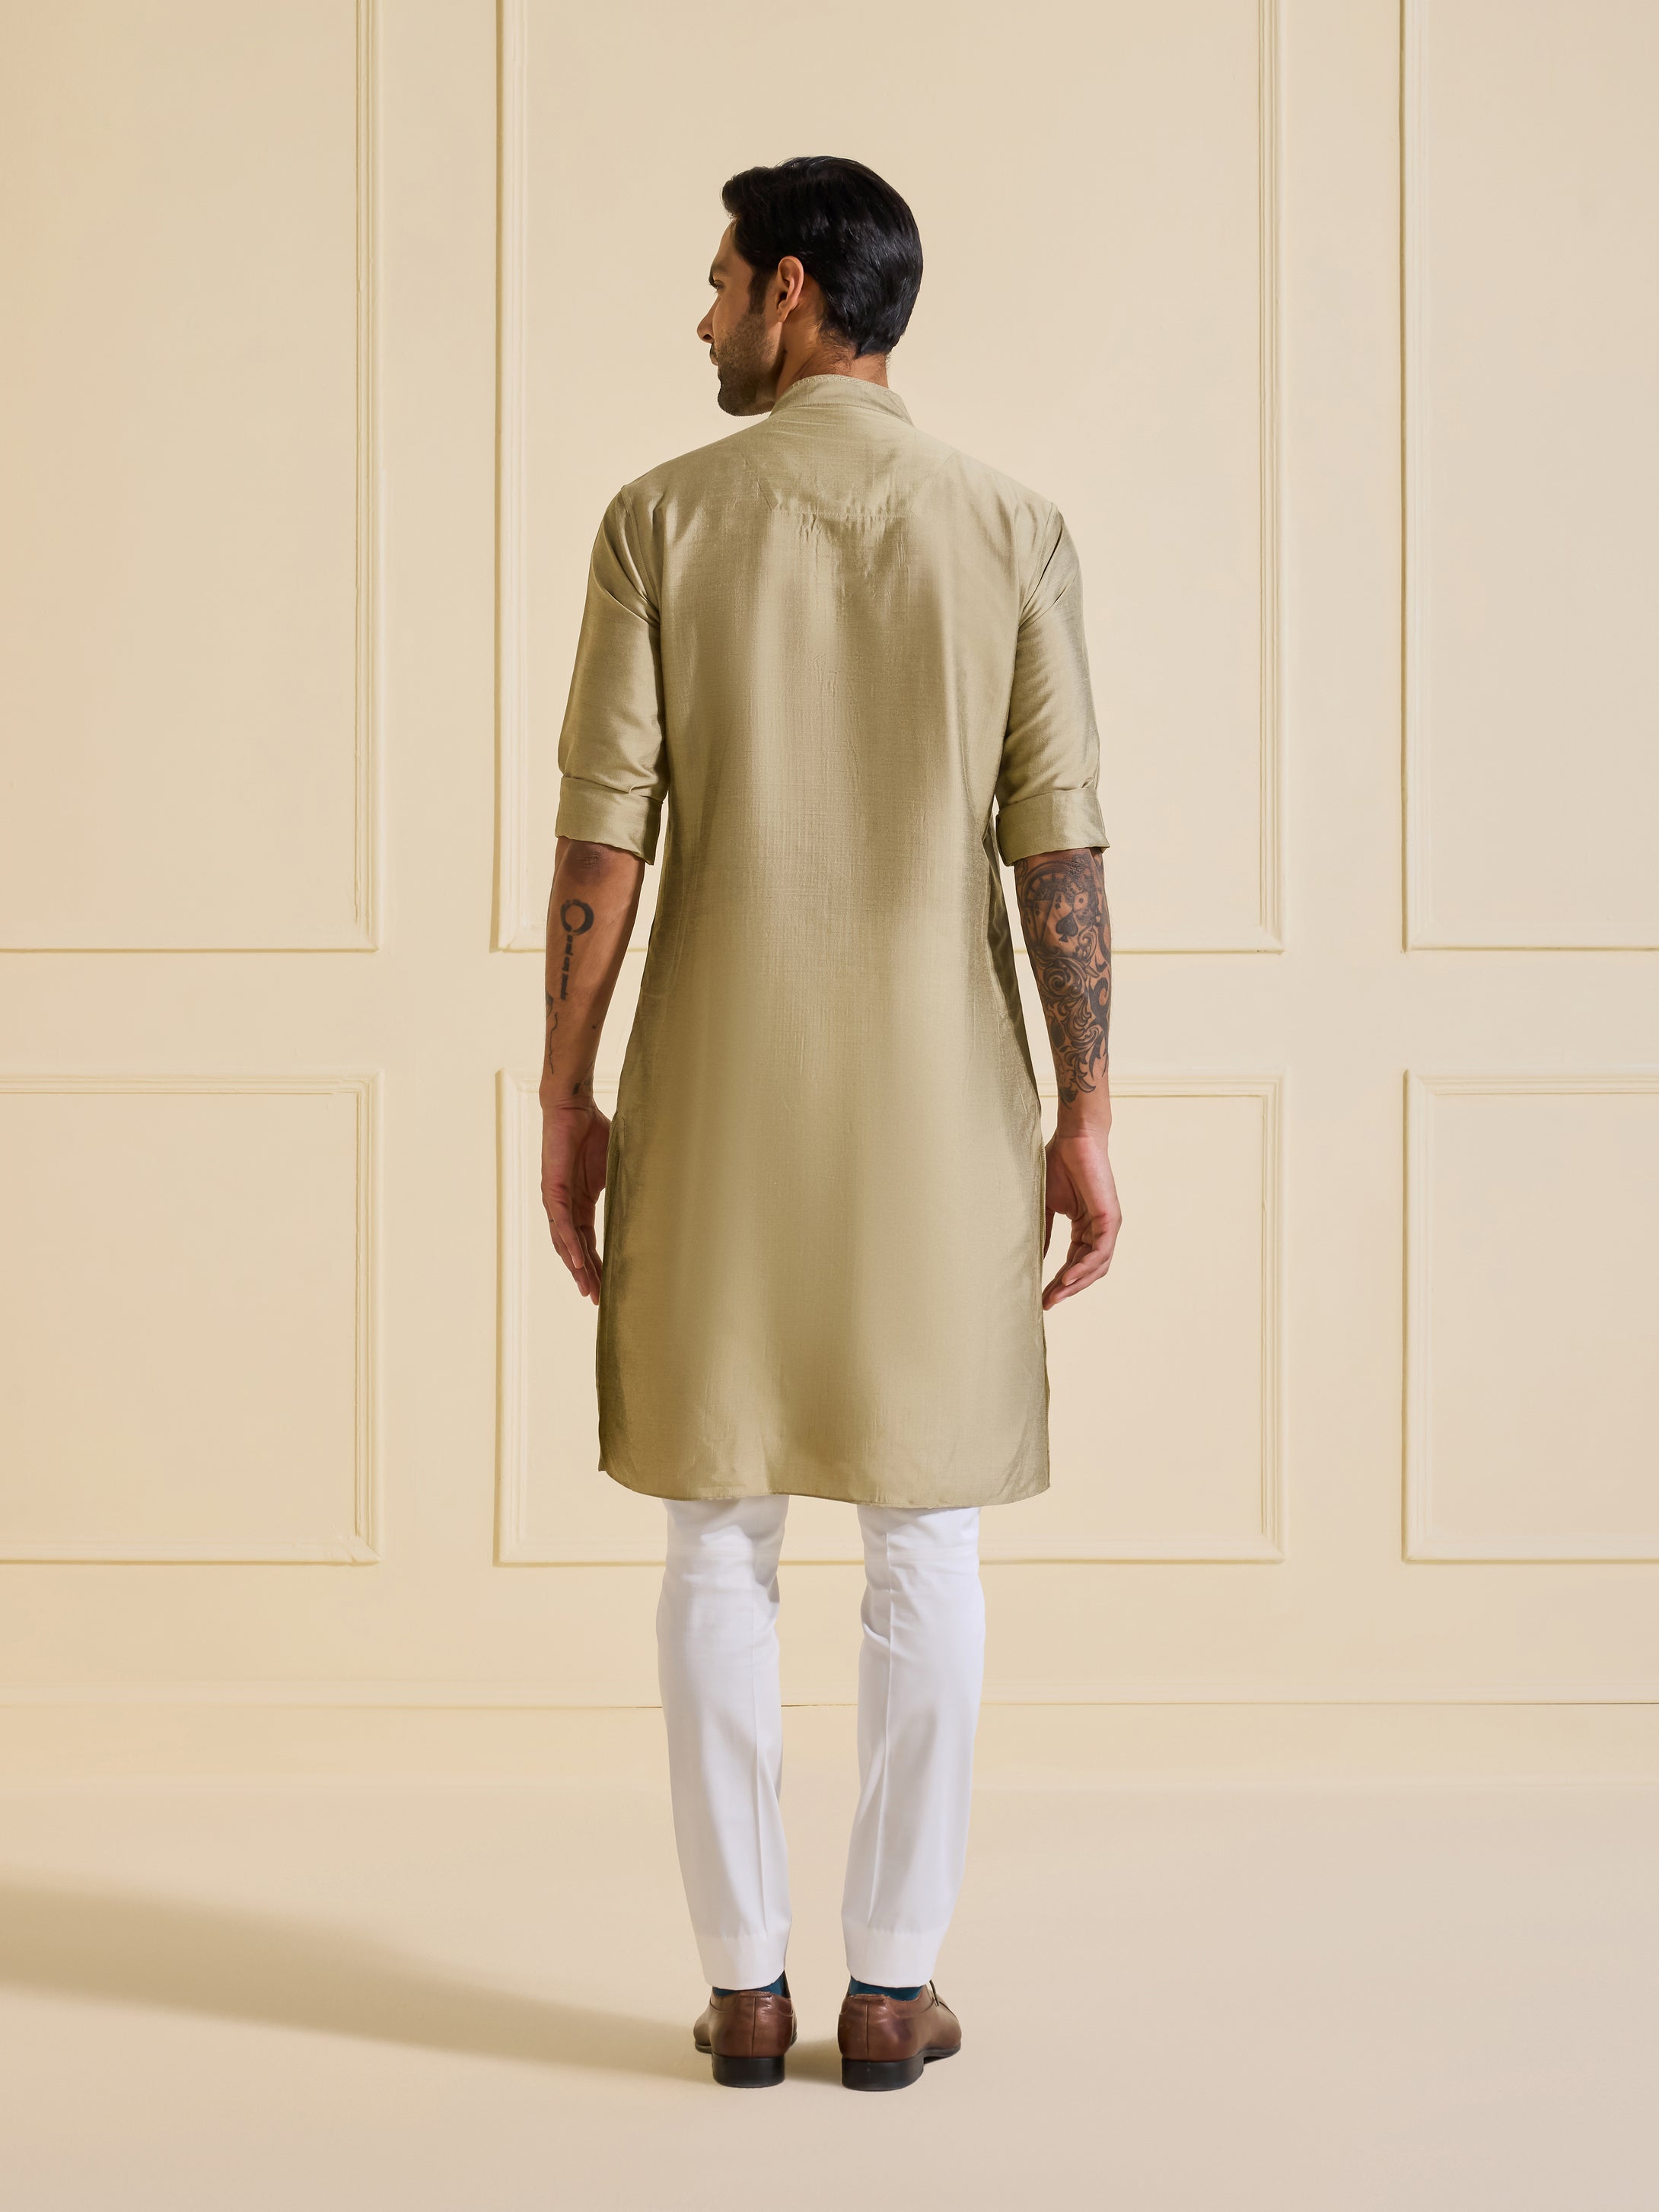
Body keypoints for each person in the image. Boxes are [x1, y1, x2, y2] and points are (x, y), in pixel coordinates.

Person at [540, 155, 1119, 2091]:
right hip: (936, 1104)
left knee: (716, 1529)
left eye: (719, 282)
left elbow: (602, 846)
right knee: (921, 1529)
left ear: (793, 290)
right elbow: (1058, 853)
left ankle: (741, 1986)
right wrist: (1085, 1108)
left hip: (712, 1092)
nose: (703, 316)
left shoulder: (658, 520)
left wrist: (564, 1090)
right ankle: (891, 1985)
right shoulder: (1011, 527)